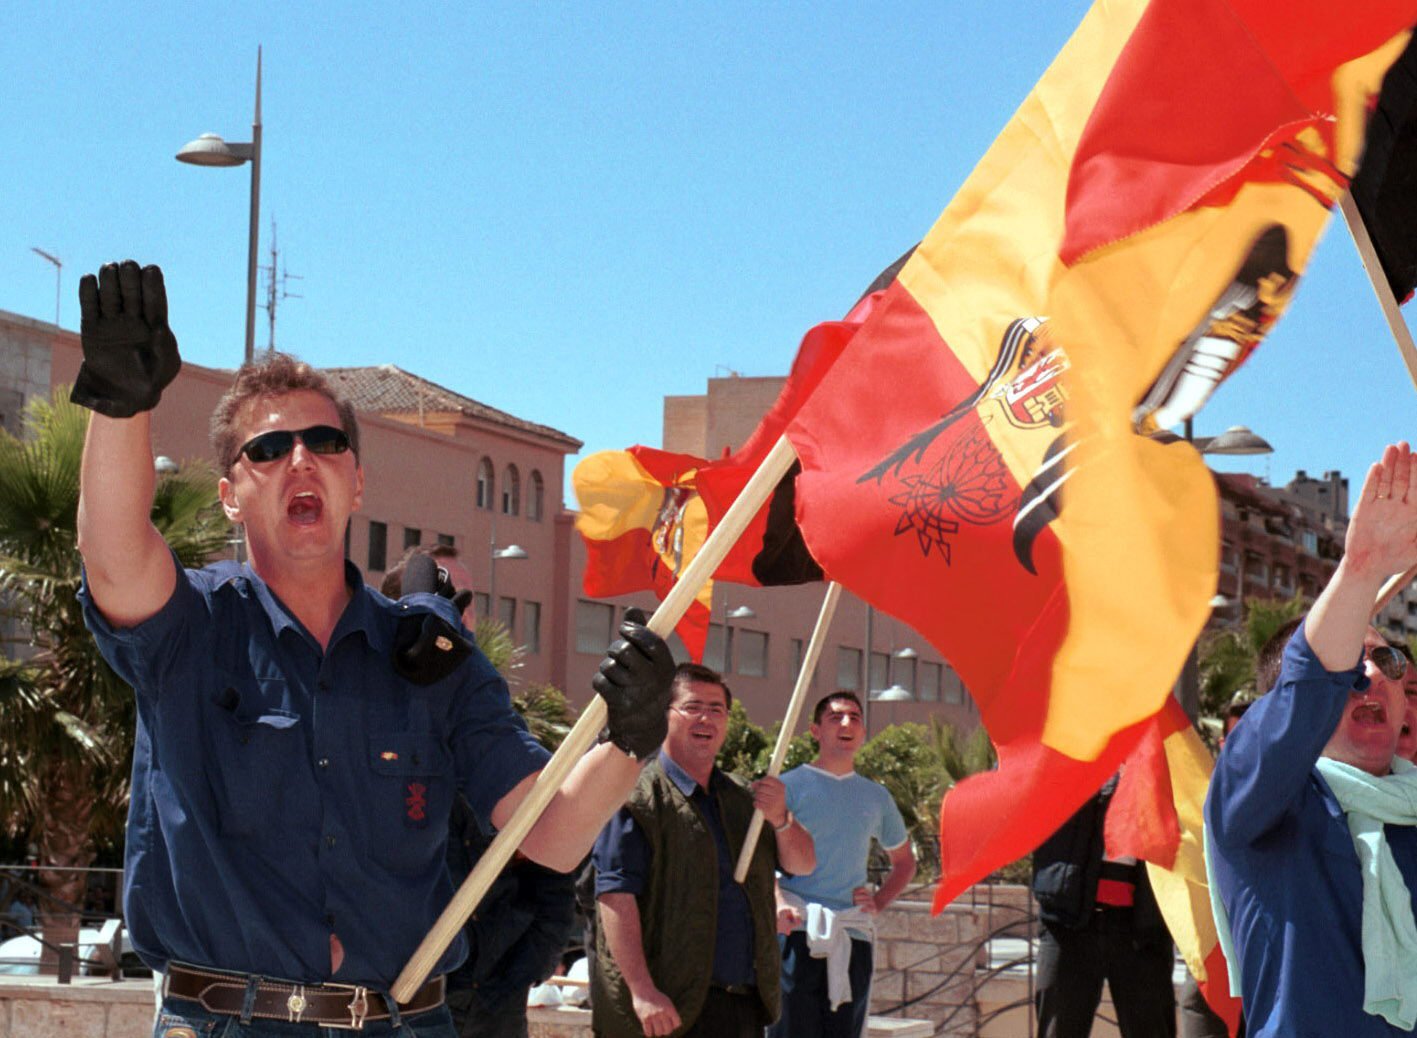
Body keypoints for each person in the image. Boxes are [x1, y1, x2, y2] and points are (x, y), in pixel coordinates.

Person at [72, 261, 674, 1037]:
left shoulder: (434, 658)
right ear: (229, 492)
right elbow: (115, 553)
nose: (301, 459)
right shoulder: (192, 627)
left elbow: (550, 838)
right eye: (269, 449)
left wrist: (628, 739)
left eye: (324, 442)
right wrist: (121, 404)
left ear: (356, 481)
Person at [1206, 441, 1417, 1036]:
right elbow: (1304, 689)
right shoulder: (1258, 801)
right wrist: (1364, 566)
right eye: (1352, 666)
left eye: (1390, 662)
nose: (1372, 675)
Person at [384, 548, 578, 1038]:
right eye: (447, 596)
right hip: (395, 994)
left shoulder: (501, 725)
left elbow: (553, 863)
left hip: (494, 997)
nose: (461, 613)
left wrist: (524, 966)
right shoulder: (363, 719)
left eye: (467, 602)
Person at [590, 663, 816, 1038]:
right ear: (666, 713)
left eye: (716, 709)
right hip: (670, 1010)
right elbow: (614, 896)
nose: (706, 718)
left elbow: (803, 863)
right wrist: (643, 991)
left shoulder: (747, 800)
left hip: (742, 1005)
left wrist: (781, 820)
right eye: (693, 706)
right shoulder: (637, 798)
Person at [769, 691, 914, 1038]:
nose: (847, 723)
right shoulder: (786, 787)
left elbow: (905, 862)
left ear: (863, 732)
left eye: (855, 717)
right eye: (835, 717)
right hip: (797, 930)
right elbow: (759, 856)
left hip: (852, 935)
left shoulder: (876, 797)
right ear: (815, 731)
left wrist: (878, 901)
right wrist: (777, 899)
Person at [1030, 773, 1176, 1038]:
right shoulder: (1062, 739)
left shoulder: (1162, 741)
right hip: (1067, 919)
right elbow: (1016, 777)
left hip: (1141, 926)